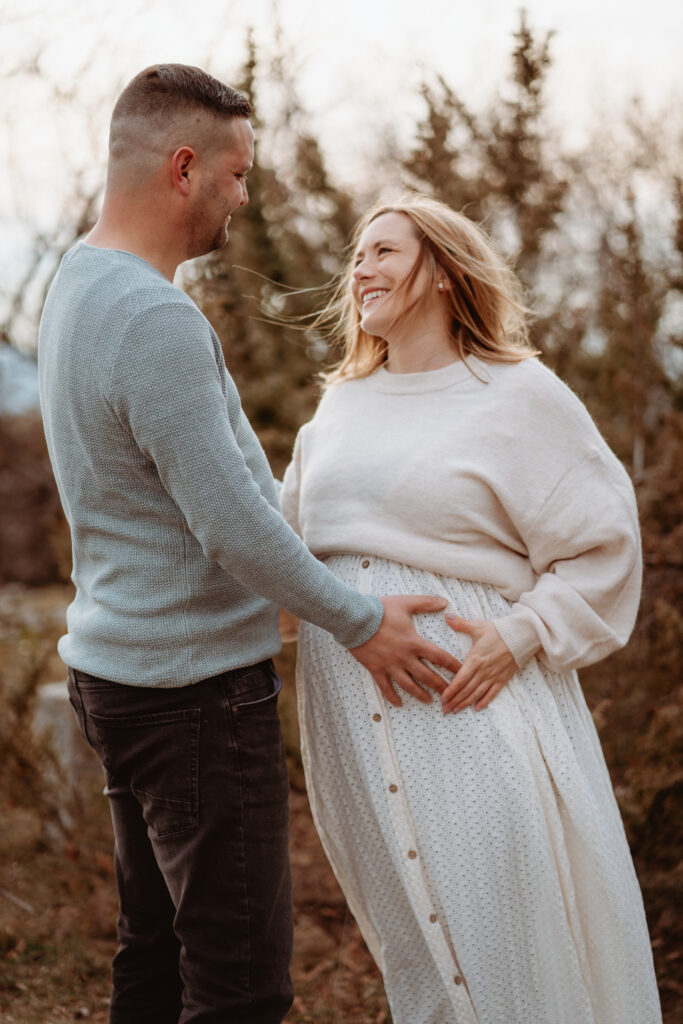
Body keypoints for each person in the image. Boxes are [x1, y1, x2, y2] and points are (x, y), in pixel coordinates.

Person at [37, 67, 461, 1024]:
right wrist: (362, 624)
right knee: (238, 987)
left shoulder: (78, 280)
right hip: (192, 701)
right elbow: (229, 526)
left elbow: (225, 489)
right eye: (236, 174)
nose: (244, 197)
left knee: (152, 956)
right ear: (184, 168)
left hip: (116, 675)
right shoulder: (156, 321)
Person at [280, 195, 662, 1024]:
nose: (361, 268)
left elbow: (602, 547)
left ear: (446, 273)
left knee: (512, 933)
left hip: (472, 697)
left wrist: (521, 635)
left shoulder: (518, 393)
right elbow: (283, 550)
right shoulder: (339, 404)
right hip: (353, 713)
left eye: (384, 251)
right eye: (356, 255)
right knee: (418, 953)